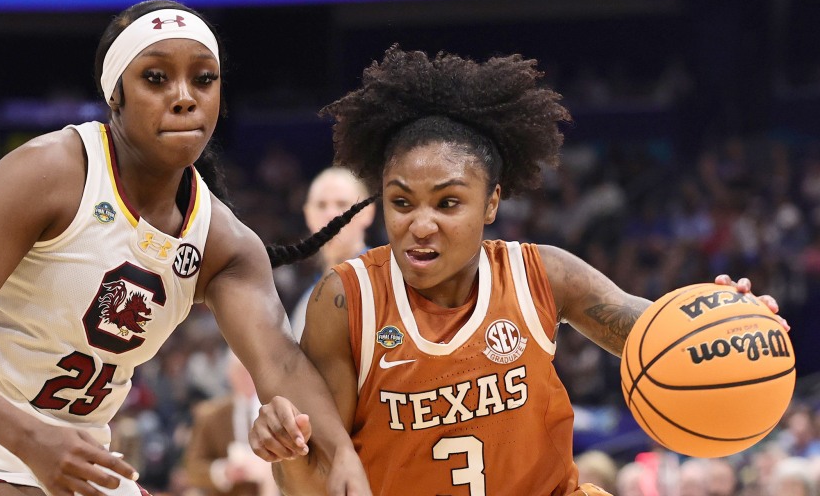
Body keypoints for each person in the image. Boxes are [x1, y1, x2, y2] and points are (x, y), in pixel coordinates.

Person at [0, 0, 371, 496]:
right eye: (155, 78)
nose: (184, 95)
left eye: (204, 79)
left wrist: (341, 454)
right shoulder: (53, 171)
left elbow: (280, 366)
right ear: (116, 96)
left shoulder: (225, 242)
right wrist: (32, 440)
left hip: (74, 457)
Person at [248, 45, 785, 495]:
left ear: (491, 204)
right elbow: (314, 480)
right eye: (402, 202)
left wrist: (729, 325)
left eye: (449, 203)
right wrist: (287, 450)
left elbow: (650, 332)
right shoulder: (345, 300)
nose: (421, 224)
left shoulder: (541, 275)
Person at [289, 167, 375, 341]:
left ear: (367, 212)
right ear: (308, 215)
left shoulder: (390, 283)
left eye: (342, 204)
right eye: (321, 205)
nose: (331, 215)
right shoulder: (304, 300)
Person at [184, 351, 278, 496]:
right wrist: (223, 471)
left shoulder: (277, 412)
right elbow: (193, 468)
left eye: (252, 371)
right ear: (230, 375)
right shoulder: (211, 415)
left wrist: (271, 468)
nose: (248, 378)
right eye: (242, 372)